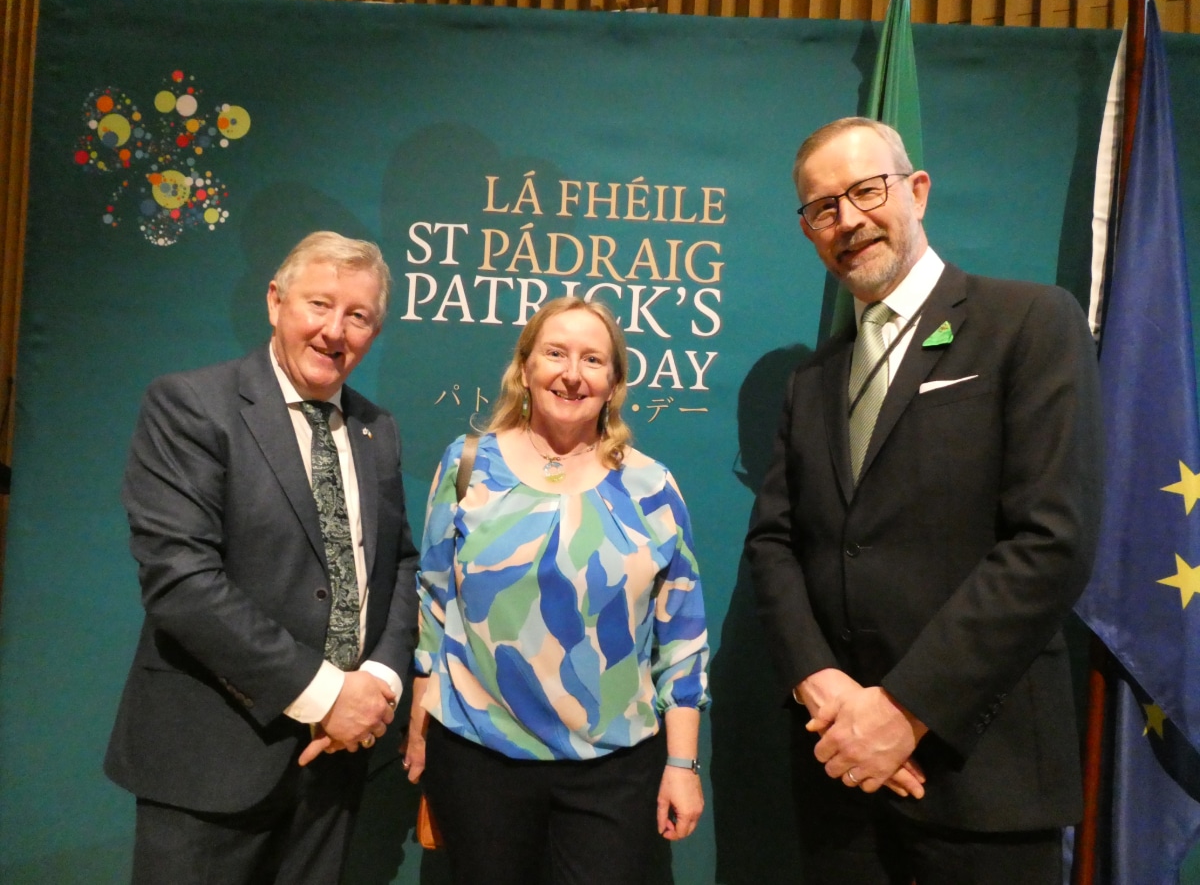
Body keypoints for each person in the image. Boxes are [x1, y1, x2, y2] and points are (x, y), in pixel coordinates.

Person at [744, 118, 1103, 884]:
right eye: (822, 208)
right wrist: (825, 688)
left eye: (865, 191)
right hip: (840, 777)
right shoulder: (812, 384)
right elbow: (774, 545)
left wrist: (903, 710)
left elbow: (1051, 542)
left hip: (982, 782)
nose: (847, 221)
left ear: (916, 191)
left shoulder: (1031, 323)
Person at [105, 231, 420, 884]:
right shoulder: (192, 406)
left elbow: (398, 565)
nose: (335, 331)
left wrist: (379, 687)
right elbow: (182, 584)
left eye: (357, 316)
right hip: (211, 762)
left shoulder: (375, 429)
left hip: (335, 763)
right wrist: (327, 693)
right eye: (318, 304)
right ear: (275, 301)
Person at [402, 296, 710, 885]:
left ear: (614, 382)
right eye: (556, 353)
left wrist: (681, 763)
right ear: (524, 368)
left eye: (593, 360)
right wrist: (419, 722)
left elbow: (683, 638)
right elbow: (435, 603)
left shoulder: (651, 487)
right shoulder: (467, 465)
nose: (573, 374)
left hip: (613, 771)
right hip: (476, 758)